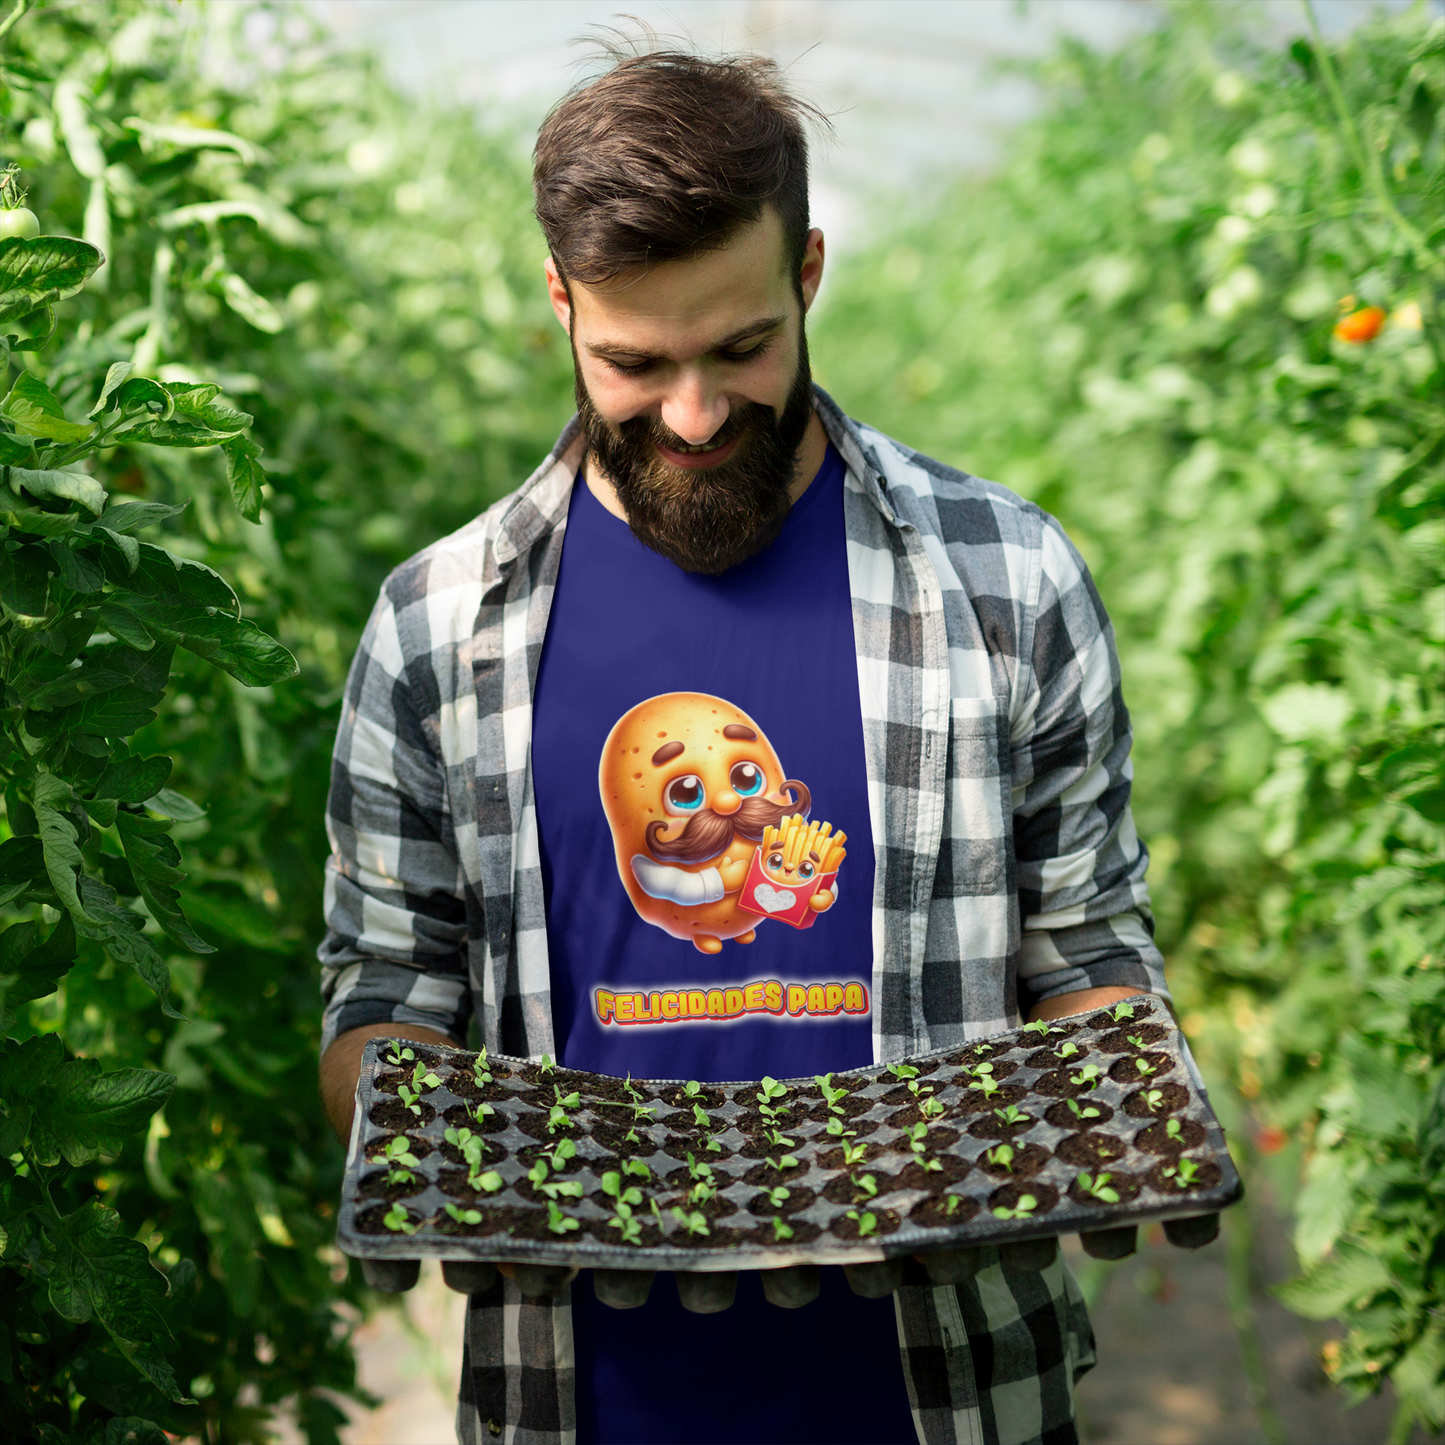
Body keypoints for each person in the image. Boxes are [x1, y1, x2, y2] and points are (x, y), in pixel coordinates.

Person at [318, 44, 1168, 1445]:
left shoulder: (1004, 582)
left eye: (742, 348)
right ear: (560, 302)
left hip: (946, 1385)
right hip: (586, 1393)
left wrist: (1126, 1107)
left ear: (809, 274)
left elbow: (1086, 951)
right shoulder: (438, 631)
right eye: (634, 364)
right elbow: (383, 995)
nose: (695, 414)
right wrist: (421, 1137)